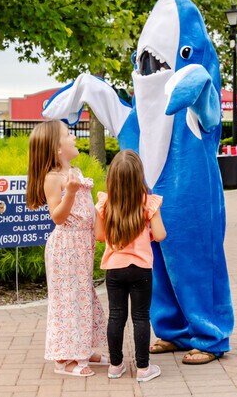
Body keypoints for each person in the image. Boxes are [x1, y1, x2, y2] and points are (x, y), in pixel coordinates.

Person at [25, 119, 107, 378]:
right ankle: (63, 358)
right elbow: (58, 217)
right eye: (68, 134)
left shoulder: (76, 173)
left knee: (82, 297)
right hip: (66, 247)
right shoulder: (54, 179)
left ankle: (80, 348)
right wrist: (70, 192)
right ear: (57, 148)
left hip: (82, 246)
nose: (73, 137)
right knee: (68, 301)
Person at [95, 150, 166, 382]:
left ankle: (115, 366)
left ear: (112, 177)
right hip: (141, 268)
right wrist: (148, 235)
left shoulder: (105, 203)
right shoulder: (148, 203)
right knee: (141, 317)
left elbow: (99, 236)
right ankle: (143, 369)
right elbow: (161, 234)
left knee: (116, 316)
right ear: (139, 176)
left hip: (114, 268)